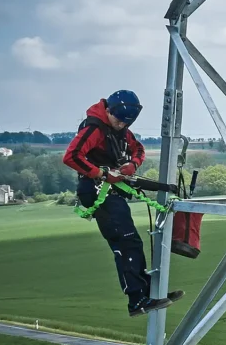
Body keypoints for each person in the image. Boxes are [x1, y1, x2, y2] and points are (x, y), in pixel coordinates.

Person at [63, 90, 182, 317]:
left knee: (132, 242)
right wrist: (100, 173)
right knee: (125, 242)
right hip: (97, 189)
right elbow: (71, 156)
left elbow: (139, 150)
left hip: (111, 189)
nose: (120, 125)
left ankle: (147, 291)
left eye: (125, 123)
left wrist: (131, 166)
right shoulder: (94, 129)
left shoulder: (121, 130)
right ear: (108, 111)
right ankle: (136, 300)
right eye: (117, 120)